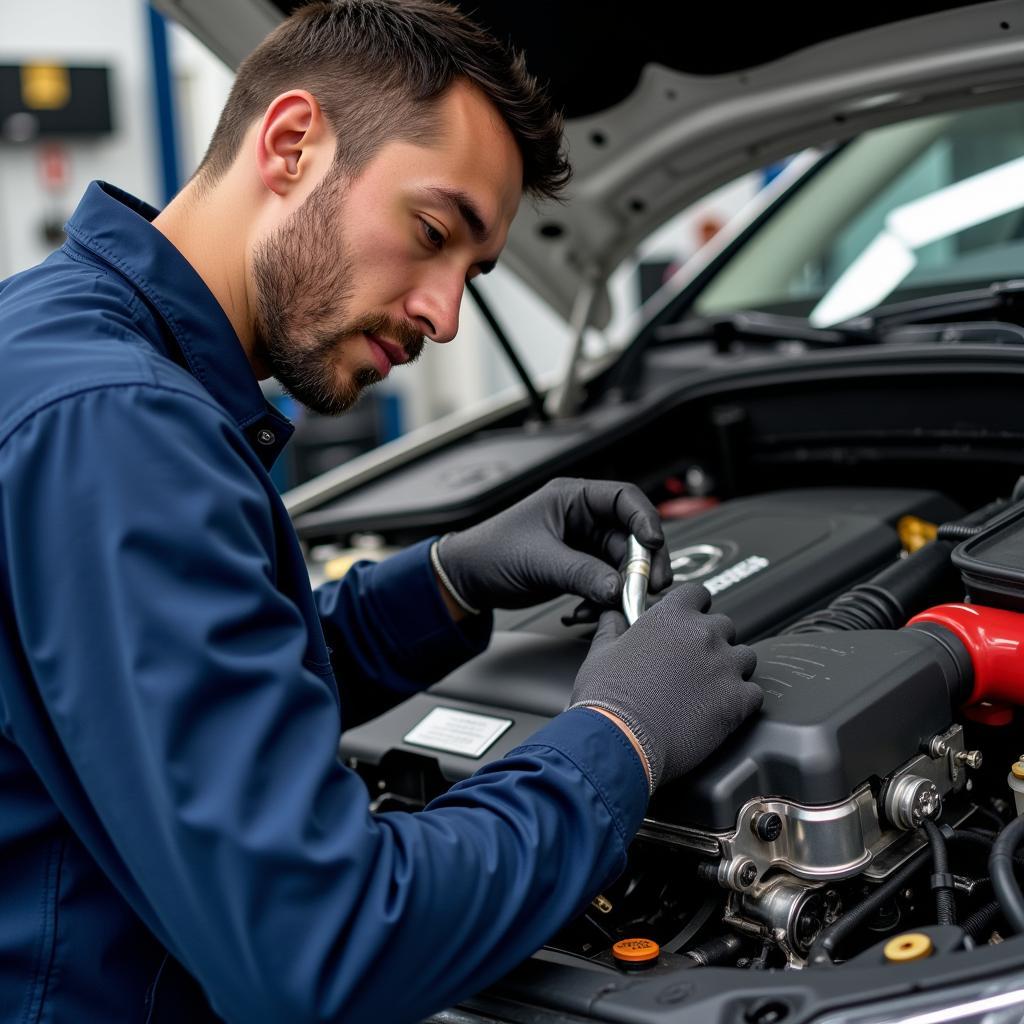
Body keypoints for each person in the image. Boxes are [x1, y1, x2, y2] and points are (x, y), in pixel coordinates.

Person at [0, 2, 762, 1021]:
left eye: (471, 273)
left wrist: (442, 582)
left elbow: (157, 694)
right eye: (432, 232)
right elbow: (318, 947)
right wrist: (619, 736)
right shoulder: (122, 427)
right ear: (291, 143)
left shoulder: (59, 340)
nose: (445, 314)